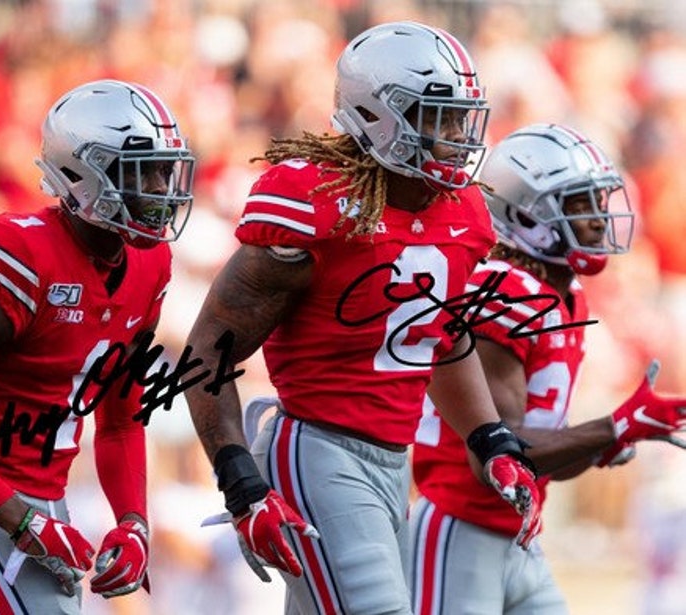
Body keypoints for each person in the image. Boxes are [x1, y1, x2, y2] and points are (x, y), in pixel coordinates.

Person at [184, 21, 542, 615]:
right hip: (318, 449)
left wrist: (490, 438)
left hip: (393, 462)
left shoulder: (465, 212)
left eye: (460, 118)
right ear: (378, 116)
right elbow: (207, 353)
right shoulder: (316, 204)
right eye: (437, 117)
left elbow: (439, 335)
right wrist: (241, 482)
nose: (455, 135)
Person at [0, 78, 195, 613]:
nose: (158, 187)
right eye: (140, 171)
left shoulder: (151, 265)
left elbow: (122, 420)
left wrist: (133, 521)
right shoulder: (20, 251)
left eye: (162, 169)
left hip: (47, 501)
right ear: (83, 175)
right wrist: (22, 519)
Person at [409, 123, 686, 614]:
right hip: (460, 528)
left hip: (516, 535)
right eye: (579, 205)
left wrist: (614, 436)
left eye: (598, 201)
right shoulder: (504, 291)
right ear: (524, 214)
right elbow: (494, 457)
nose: (600, 219)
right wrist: (614, 426)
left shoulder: (567, 295)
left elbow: (545, 459)